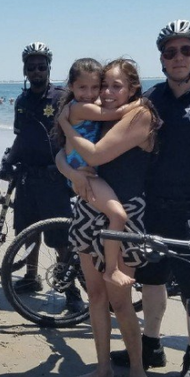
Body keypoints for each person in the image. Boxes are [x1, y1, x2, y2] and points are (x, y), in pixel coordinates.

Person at [110, 20, 190, 373]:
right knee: (151, 280)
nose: (178, 58)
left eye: (186, 50)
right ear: (161, 59)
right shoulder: (150, 99)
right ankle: (152, 345)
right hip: (154, 205)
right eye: (170, 52)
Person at [56, 58, 160, 377]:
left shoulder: (141, 113)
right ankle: (103, 369)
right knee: (96, 296)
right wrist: (72, 173)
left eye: (117, 86)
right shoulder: (95, 111)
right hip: (90, 208)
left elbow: (97, 154)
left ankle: (138, 369)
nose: (108, 92)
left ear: (133, 88)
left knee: (120, 301)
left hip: (125, 213)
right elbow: (62, 155)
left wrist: (65, 125)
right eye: (105, 85)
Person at [0, 42, 83, 312]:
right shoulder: (22, 101)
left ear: (48, 67)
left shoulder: (62, 97)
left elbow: (76, 136)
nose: (36, 71)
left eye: (41, 66)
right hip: (26, 176)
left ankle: (70, 289)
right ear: (24, 70)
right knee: (27, 232)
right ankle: (30, 277)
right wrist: (9, 161)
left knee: (60, 237)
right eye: (31, 67)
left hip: (53, 178)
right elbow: (21, 136)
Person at [57, 58, 136, 288]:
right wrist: (139, 103)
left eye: (95, 87)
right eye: (83, 87)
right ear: (71, 86)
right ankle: (111, 269)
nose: (90, 93)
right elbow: (113, 114)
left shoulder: (82, 105)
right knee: (118, 216)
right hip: (85, 172)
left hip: (82, 169)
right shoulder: (80, 107)